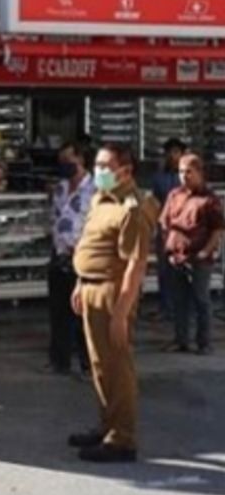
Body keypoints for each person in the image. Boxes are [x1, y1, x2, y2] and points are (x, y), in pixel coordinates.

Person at [68, 143, 158, 463]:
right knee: (99, 365)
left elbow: (135, 265)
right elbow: (91, 245)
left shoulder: (132, 207)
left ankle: (122, 438)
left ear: (126, 170)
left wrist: (121, 311)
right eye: (98, 165)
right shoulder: (100, 199)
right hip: (91, 288)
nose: (100, 171)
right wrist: (81, 282)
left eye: (107, 166)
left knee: (117, 367)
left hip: (112, 292)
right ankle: (107, 425)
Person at [160, 152, 223, 355]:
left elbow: (217, 230)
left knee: (201, 300)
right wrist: (168, 247)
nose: (184, 176)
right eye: (180, 171)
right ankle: (181, 340)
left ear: (199, 172)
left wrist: (205, 252)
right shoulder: (174, 195)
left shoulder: (209, 199)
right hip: (176, 256)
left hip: (199, 258)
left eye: (189, 171)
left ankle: (204, 343)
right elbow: (165, 223)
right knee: (179, 302)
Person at [48, 142, 96, 375]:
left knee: (83, 313)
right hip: (59, 255)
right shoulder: (60, 188)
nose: (64, 165)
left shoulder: (96, 187)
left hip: (84, 257)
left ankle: (88, 361)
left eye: (68, 160)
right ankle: (60, 360)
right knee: (59, 311)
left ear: (81, 159)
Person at [150, 138, 185, 321]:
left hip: (184, 230)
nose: (173, 156)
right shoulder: (159, 177)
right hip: (164, 229)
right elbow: (156, 202)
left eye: (176, 152)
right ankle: (165, 307)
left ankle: (182, 309)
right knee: (164, 270)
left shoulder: (187, 176)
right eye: (170, 153)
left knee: (182, 270)